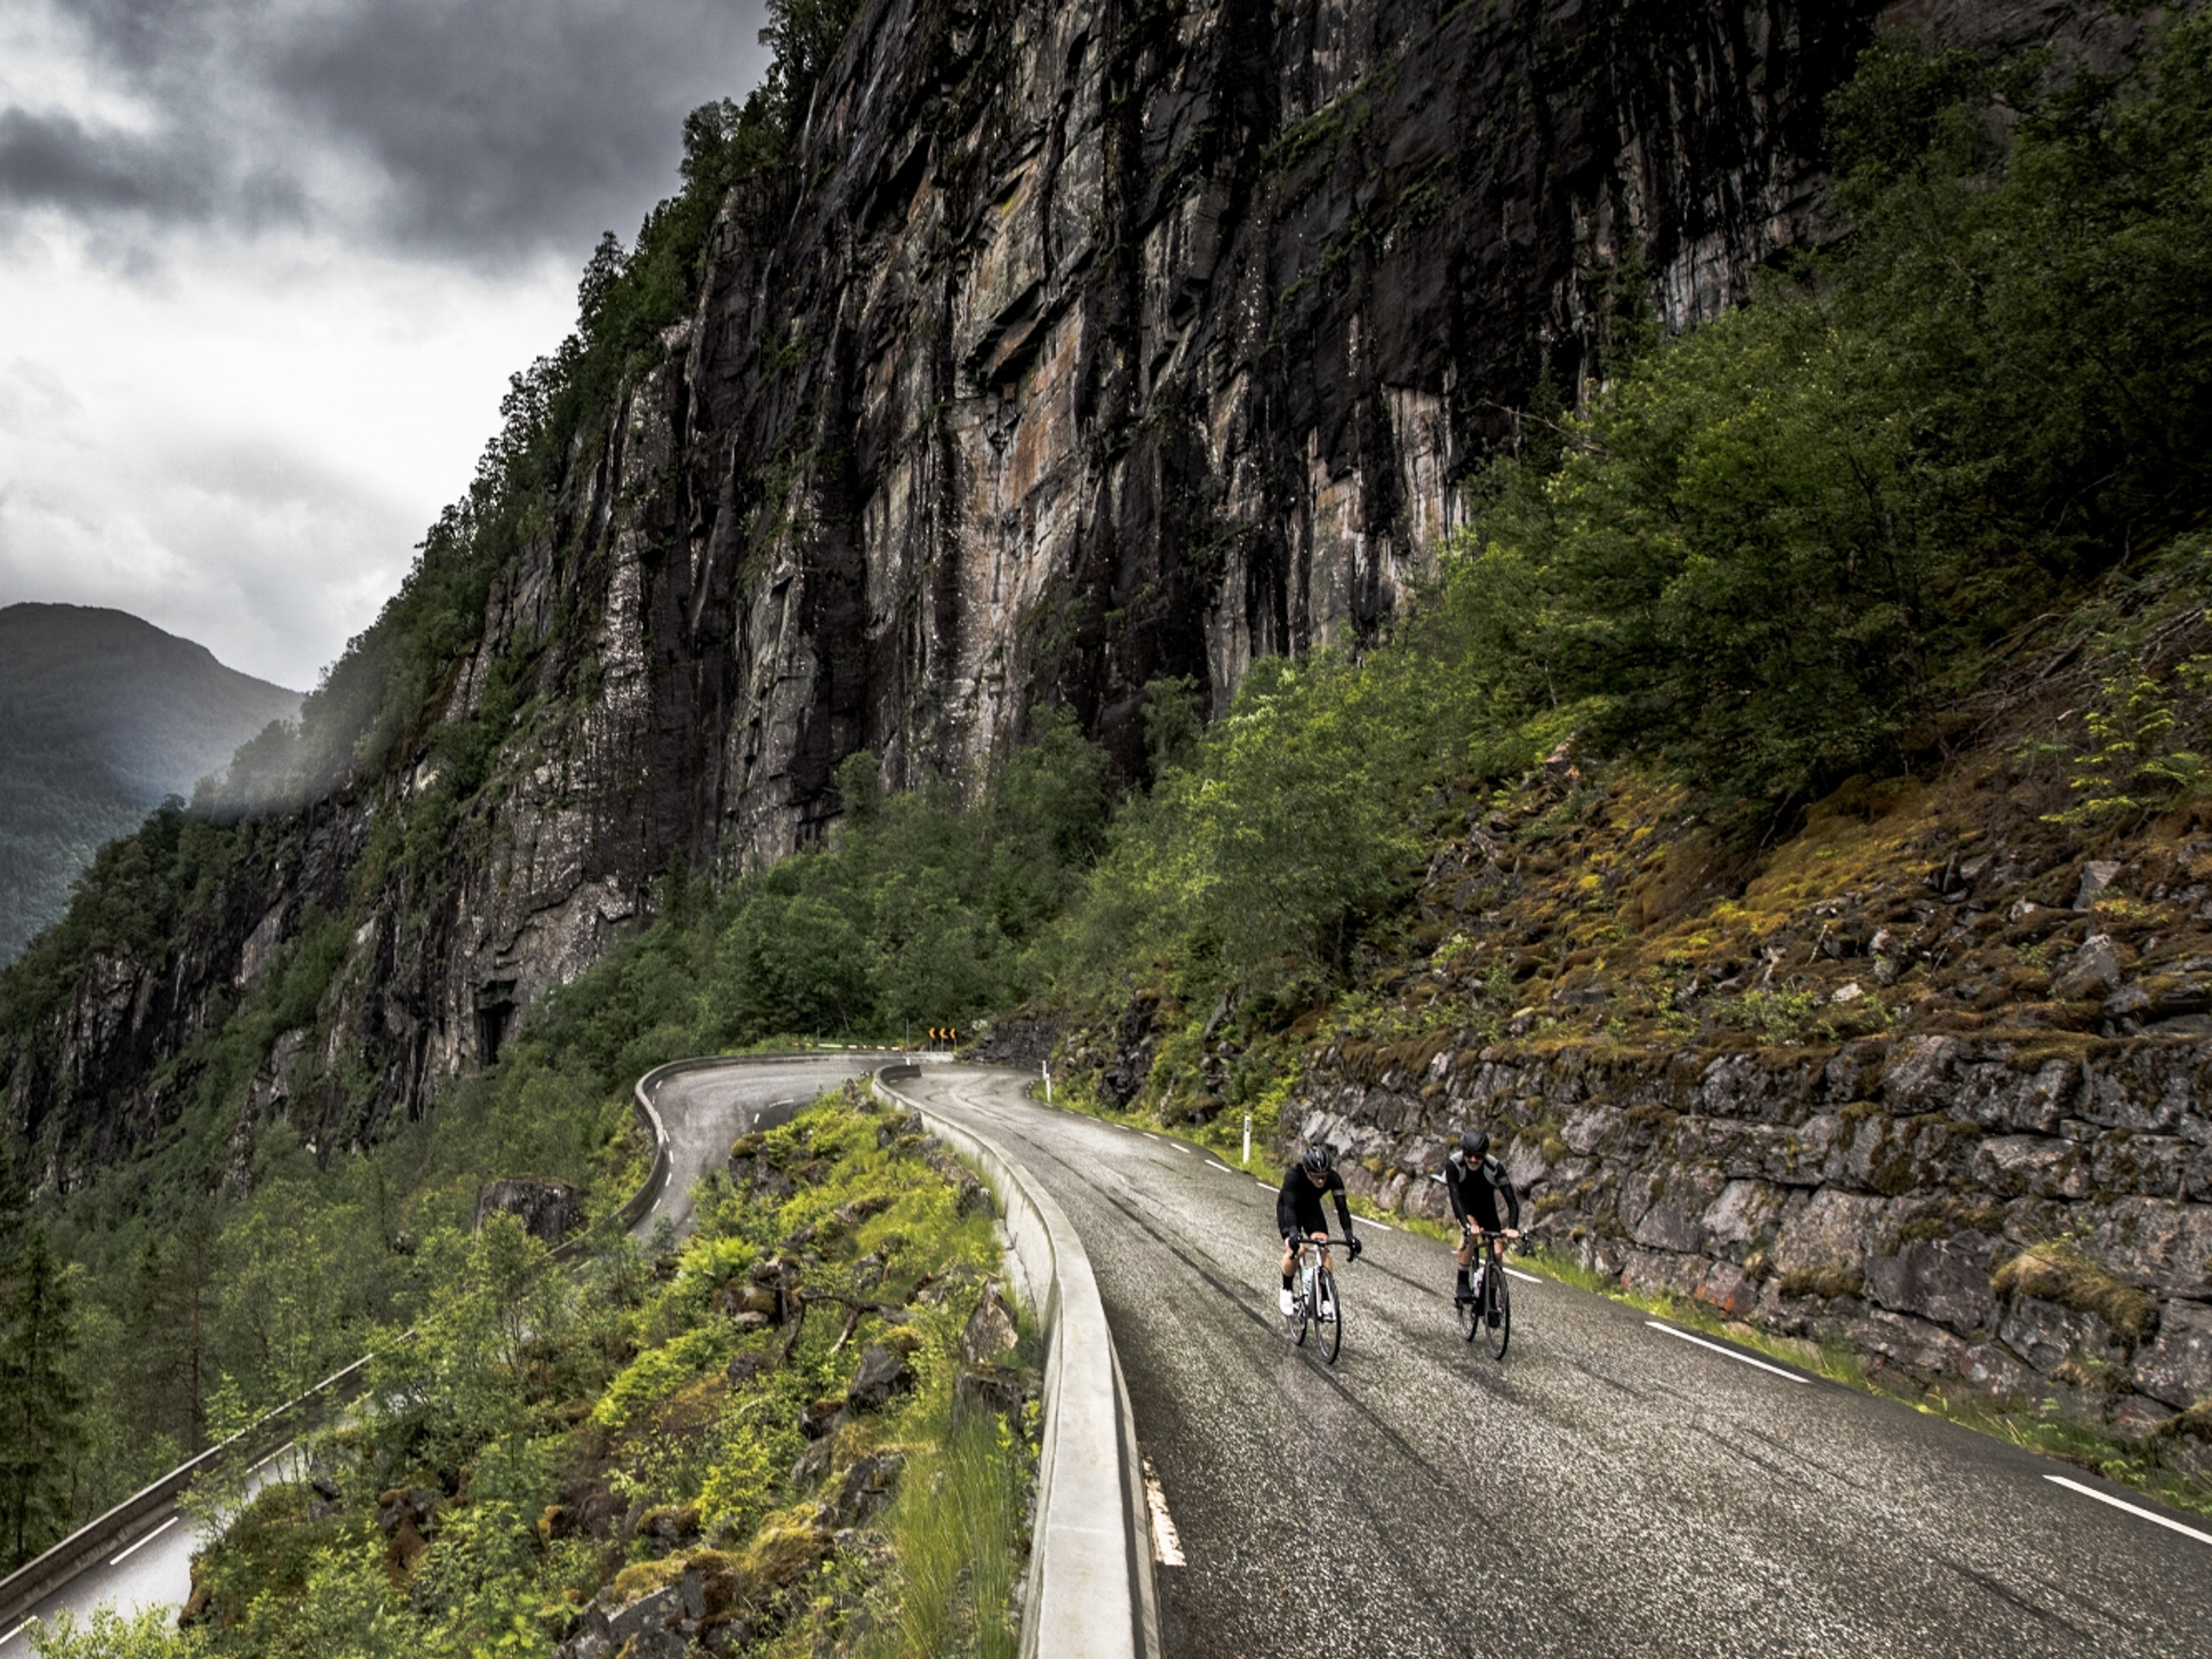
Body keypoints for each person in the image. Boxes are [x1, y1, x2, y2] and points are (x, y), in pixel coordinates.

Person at [1277, 1143, 1359, 1317]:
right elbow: (1289, 1207)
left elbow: (1342, 1209)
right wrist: (1293, 1232)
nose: (1321, 1181)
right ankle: (1286, 1289)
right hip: (1289, 1208)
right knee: (1297, 1249)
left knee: (1323, 1246)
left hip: (1311, 1209)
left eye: (1324, 1177)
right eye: (1317, 1177)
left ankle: (1326, 1299)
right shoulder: (1294, 1176)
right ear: (1306, 1171)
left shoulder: (1334, 1178)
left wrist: (1349, 1236)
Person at [1445, 1130, 1520, 1308]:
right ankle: (1462, 1284)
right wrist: (1466, 1225)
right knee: (1470, 1236)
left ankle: (1490, 1299)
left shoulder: (1494, 1167)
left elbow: (1512, 1202)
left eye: (1478, 1156)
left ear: (1484, 1154)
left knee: (1498, 1253)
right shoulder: (1454, 1165)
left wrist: (1512, 1227)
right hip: (1465, 1208)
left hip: (1487, 1210)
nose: (1473, 1160)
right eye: (1468, 1155)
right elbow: (1455, 1198)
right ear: (1463, 1152)